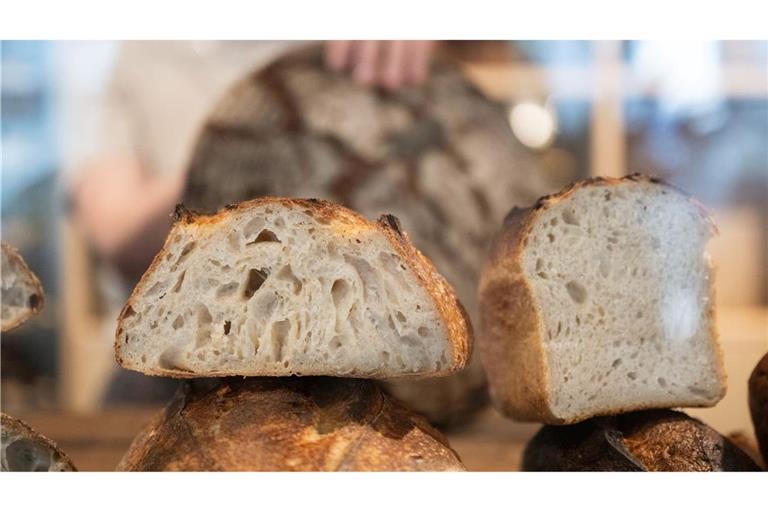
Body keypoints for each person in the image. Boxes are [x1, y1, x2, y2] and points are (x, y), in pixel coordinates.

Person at [70, 41, 436, 280]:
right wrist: (231, 165)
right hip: (183, 338)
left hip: (363, 315)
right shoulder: (140, 54)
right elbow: (117, 235)